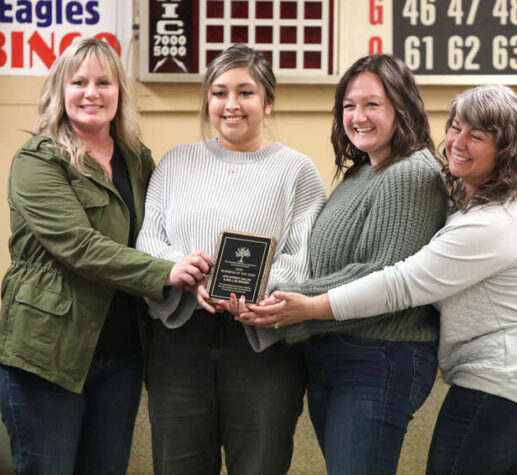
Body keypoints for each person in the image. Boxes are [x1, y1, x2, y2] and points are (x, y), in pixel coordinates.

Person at [244, 85, 517, 474]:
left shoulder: (495, 223)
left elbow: (401, 283)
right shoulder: (485, 204)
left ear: (508, 151)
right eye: (454, 127)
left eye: (476, 136)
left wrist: (309, 306)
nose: (456, 142)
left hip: (509, 381)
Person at [0, 38, 210, 475]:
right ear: (60, 90)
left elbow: (160, 228)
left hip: (121, 354)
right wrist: (169, 271)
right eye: (79, 82)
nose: (91, 92)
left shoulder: (136, 160)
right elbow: (80, 246)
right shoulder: (37, 161)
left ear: (119, 93)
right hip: (48, 353)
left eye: (103, 82)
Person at [236, 54, 448, 474]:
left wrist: (282, 302)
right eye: (349, 106)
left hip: (380, 357)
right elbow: (322, 266)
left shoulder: (411, 173)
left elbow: (381, 274)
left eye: (372, 104)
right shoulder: (359, 174)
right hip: (332, 353)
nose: (358, 116)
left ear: (401, 106)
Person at [135, 43, 327, 475]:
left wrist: (257, 287)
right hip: (179, 339)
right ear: (208, 100)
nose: (231, 104)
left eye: (246, 92)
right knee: (179, 464)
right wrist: (184, 272)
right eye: (220, 92)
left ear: (268, 101)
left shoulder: (296, 171)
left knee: (259, 464)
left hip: (262, 344)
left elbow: (304, 257)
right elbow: (149, 239)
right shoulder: (176, 162)